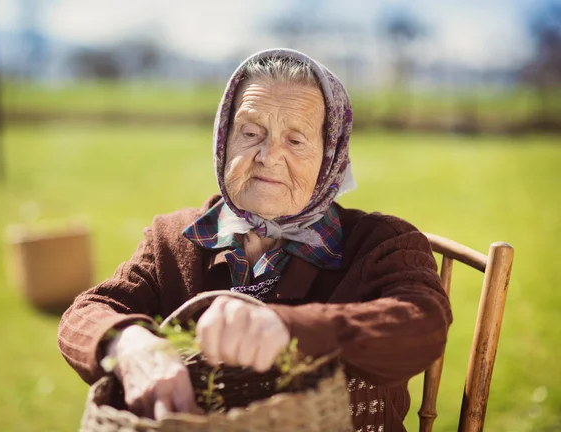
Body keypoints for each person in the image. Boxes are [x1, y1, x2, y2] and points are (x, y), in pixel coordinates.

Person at [58, 48, 452, 431]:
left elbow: (424, 324)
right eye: (250, 132)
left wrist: (288, 327)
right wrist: (129, 346)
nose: (268, 155)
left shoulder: (381, 243)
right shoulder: (173, 237)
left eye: (295, 141)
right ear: (223, 140)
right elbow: (88, 311)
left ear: (331, 156)